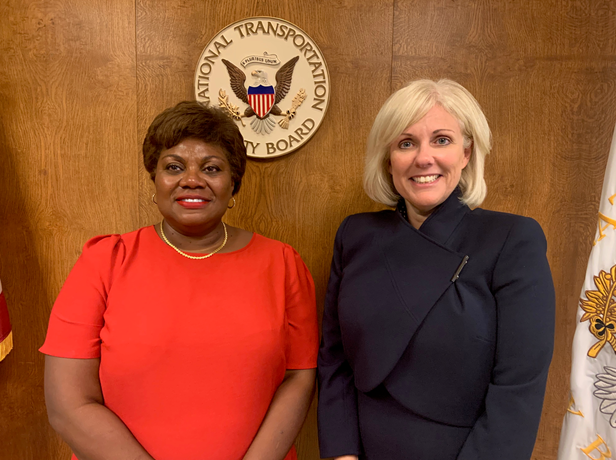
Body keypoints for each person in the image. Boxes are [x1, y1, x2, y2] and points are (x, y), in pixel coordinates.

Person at [40, 101, 319, 460]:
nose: (192, 179)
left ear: (233, 183)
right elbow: (67, 406)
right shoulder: (104, 262)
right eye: (174, 166)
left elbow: (299, 378)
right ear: (154, 180)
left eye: (211, 168)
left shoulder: (282, 264)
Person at [317, 79, 555, 460]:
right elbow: (335, 359)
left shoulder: (513, 239)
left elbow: (519, 386)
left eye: (441, 140)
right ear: (388, 159)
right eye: (406, 143)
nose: (423, 158)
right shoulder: (355, 234)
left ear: (466, 152)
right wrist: (342, 454)